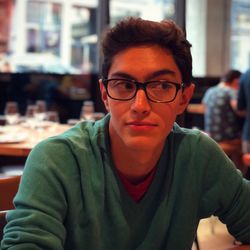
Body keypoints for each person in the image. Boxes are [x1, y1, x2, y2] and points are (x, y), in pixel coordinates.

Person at [1, 17, 250, 250]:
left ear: (183, 97)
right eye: (125, 85)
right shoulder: (57, 160)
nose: (140, 105)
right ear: (105, 94)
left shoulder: (198, 156)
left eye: (162, 86)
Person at [202, 70, 245, 172]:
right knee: (245, 146)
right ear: (236, 81)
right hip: (227, 139)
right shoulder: (231, 91)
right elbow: (239, 110)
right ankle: (239, 178)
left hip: (210, 136)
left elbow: (204, 107)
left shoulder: (210, 91)